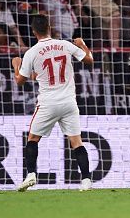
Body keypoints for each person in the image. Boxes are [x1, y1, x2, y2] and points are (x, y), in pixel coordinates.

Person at [12, 14, 94, 192]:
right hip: (68, 102)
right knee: (76, 142)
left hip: (48, 103)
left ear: (34, 32)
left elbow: (20, 81)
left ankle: (31, 174)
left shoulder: (31, 52)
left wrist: (16, 65)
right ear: (50, 27)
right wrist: (82, 44)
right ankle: (86, 180)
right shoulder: (65, 45)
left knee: (33, 139)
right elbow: (89, 60)